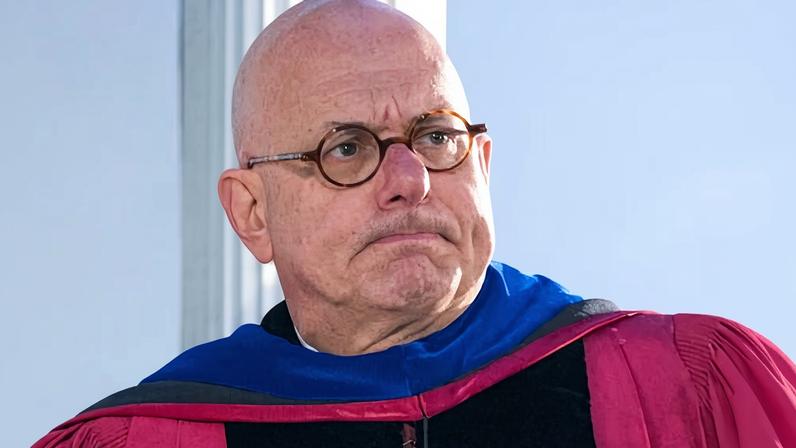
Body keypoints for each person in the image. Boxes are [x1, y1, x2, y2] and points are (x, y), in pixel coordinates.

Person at [35, 1, 796, 447]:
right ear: (252, 214)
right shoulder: (150, 438)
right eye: (346, 148)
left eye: (437, 137)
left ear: (483, 165)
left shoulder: (689, 393)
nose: (410, 181)